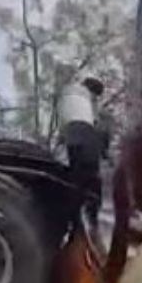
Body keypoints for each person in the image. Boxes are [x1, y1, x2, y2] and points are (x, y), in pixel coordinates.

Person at [58, 76, 105, 231]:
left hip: (71, 137)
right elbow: (95, 123)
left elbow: (64, 120)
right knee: (92, 179)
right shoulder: (86, 99)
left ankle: (74, 218)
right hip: (86, 135)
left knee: (76, 179)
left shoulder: (68, 92)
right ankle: (91, 218)